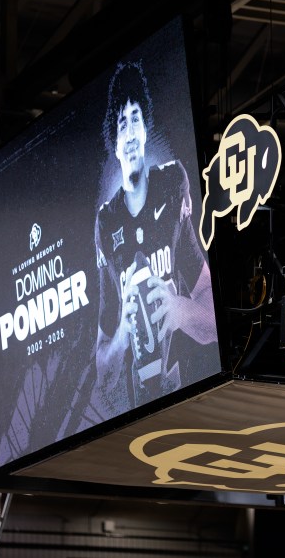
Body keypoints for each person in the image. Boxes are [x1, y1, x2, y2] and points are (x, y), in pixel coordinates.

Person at [93, 60, 218, 418]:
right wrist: (121, 331)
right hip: (138, 413)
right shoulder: (105, 221)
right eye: (121, 124)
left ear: (145, 130)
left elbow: (211, 318)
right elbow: (104, 372)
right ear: (114, 144)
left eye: (135, 119)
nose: (130, 133)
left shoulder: (173, 184)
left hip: (193, 399)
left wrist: (178, 310)